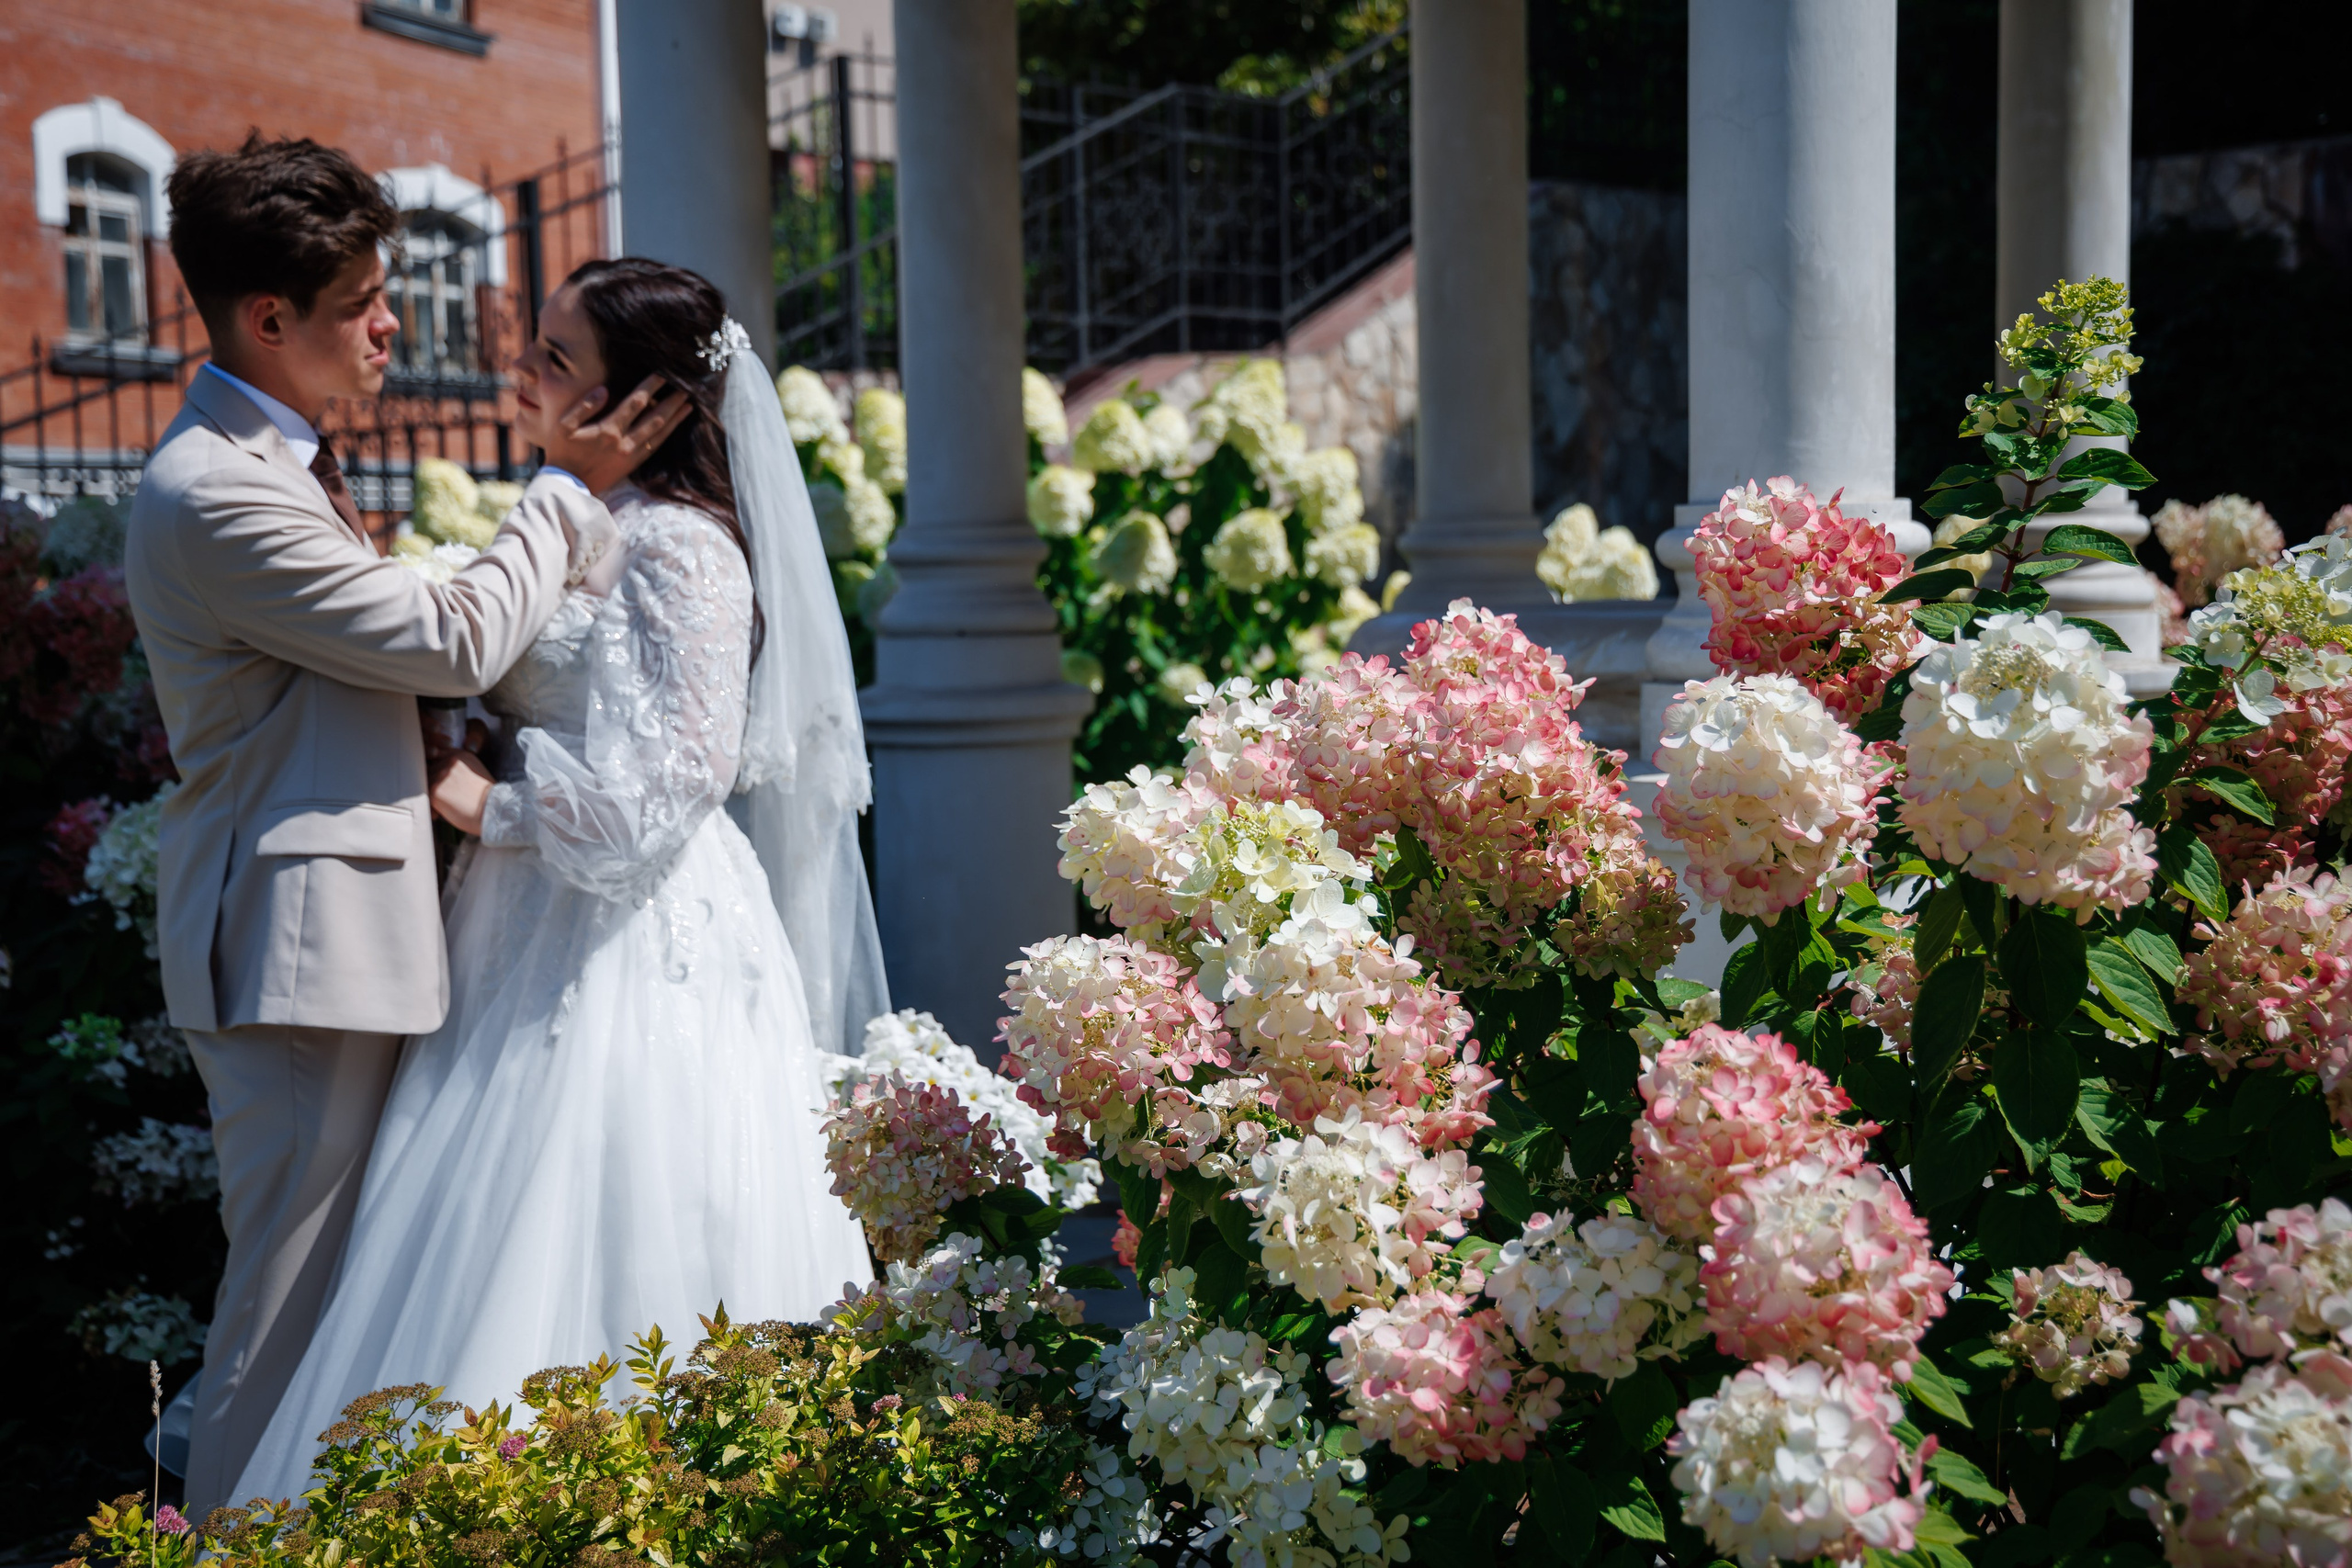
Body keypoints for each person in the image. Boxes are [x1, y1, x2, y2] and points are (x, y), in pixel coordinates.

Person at [231, 258, 885, 1507]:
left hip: (636, 936)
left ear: (642, 405)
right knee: (474, 1232)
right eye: (535, 350)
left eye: (554, 361)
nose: (519, 374)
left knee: (628, 1214)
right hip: (525, 921)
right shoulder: (588, 516)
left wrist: (482, 799)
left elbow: (666, 787)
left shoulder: (685, 549)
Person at [125, 134, 685, 1515]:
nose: (394, 325)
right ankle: (223, 1545)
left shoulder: (279, 460)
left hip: (333, 936)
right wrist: (561, 487)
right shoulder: (219, 490)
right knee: (287, 1300)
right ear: (268, 319)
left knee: (328, 1292)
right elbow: (443, 637)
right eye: (364, 301)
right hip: (298, 949)